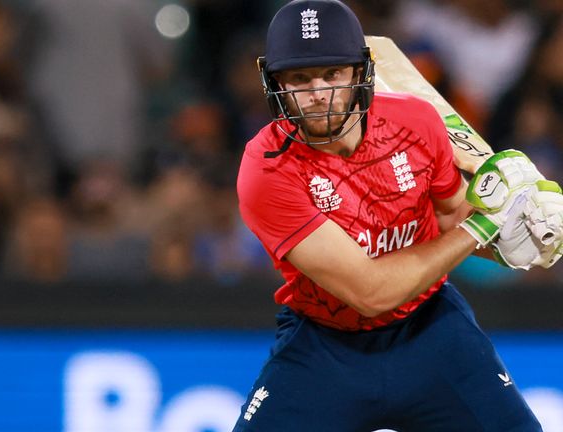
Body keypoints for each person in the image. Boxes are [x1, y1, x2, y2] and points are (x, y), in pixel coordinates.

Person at [233, 1, 563, 430]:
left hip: (433, 330)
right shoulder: (267, 167)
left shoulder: (416, 120)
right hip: (326, 348)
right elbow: (371, 292)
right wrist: (484, 221)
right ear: (274, 81)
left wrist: (523, 227)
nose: (317, 94)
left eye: (332, 74)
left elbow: (449, 221)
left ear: (359, 72)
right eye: (299, 78)